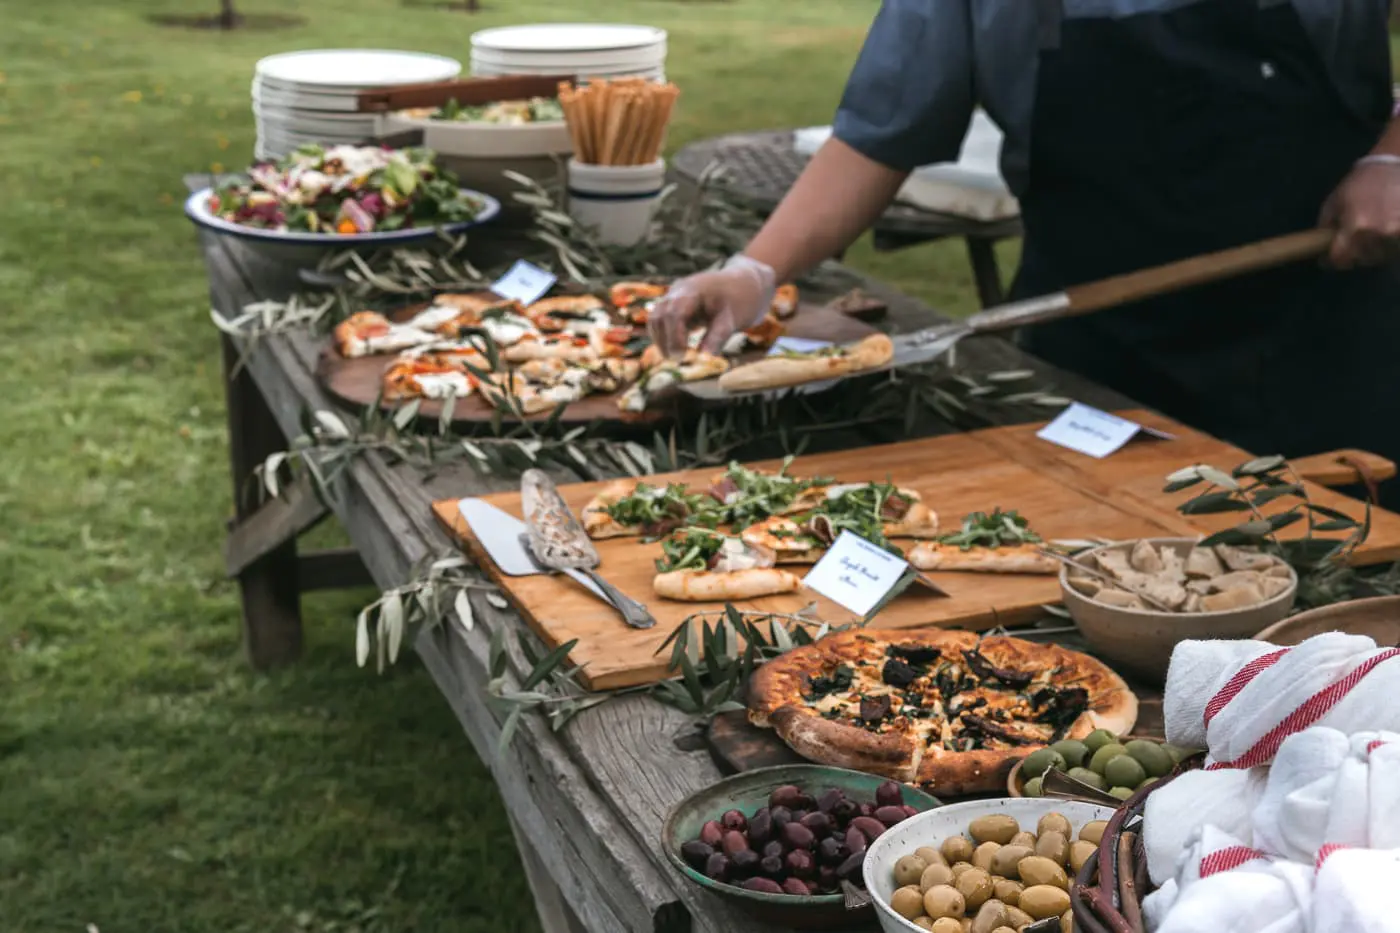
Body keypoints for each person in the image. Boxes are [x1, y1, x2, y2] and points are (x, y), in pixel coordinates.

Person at [650, 0, 1400, 504]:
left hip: (1322, 326)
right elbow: (884, 125)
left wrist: (1393, 158)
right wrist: (756, 269)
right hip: (1091, 340)